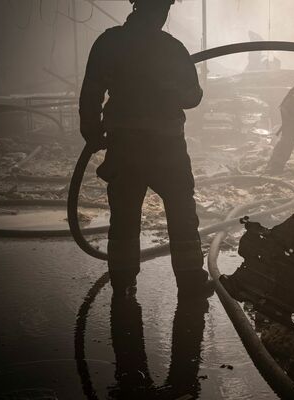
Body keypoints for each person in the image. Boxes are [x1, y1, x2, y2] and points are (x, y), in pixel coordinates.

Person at [79, 0, 211, 297]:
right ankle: (191, 281)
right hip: (167, 149)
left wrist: (92, 132)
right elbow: (192, 97)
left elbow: (91, 92)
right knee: (181, 212)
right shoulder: (172, 48)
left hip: (125, 147)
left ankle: (122, 283)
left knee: (124, 216)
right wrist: (172, 89)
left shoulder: (109, 43)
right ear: (162, 10)